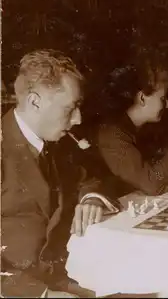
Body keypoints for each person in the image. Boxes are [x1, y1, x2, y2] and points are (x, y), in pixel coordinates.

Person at [1, 49, 116, 298]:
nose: (78, 119)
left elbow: (89, 179)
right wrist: (41, 295)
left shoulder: (57, 144)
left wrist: (91, 198)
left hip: (62, 279)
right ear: (34, 101)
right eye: (70, 108)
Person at [95, 54, 168, 196]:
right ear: (142, 98)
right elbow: (151, 184)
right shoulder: (113, 136)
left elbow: (164, 172)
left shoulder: (143, 128)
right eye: (163, 98)